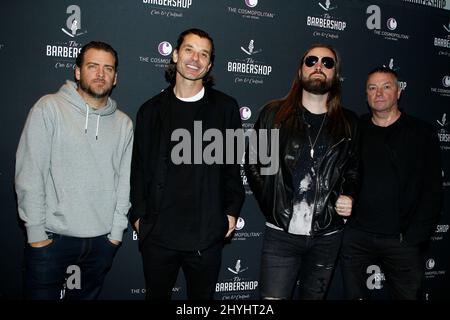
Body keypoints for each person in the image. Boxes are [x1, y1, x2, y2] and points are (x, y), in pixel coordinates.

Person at [129, 28, 245, 300]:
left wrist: (230, 212)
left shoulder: (225, 108)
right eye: (190, 50)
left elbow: (232, 167)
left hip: (206, 236)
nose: (196, 58)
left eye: (204, 54)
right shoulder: (150, 110)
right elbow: (138, 169)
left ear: (210, 64)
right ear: (176, 54)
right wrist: (138, 217)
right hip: (158, 237)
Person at [15, 41, 133, 299]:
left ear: (115, 77)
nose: (100, 74)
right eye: (93, 66)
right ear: (78, 72)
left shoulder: (124, 124)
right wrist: (36, 235)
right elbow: (30, 174)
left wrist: (115, 234)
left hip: (101, 244)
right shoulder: (49, 108)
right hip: (52, 241)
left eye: (108, 68)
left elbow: (124, 182)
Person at [244, 44, 359, 300]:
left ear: (335, 74)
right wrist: (273, 202)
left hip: (327, 237)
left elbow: (354, 169)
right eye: (312, 61)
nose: (319, 66)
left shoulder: (349, 123)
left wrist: (349, 195)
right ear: (300, 70)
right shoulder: (274, 113)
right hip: (280, 235)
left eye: (328, 63)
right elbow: (253, 162)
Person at [340, 66, 442, 300]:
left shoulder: (422, 132)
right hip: (357, 238)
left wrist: (415, 237)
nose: (379, 93)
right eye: (372, 88)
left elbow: (433, 190)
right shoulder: (356, 129)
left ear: (398, 92)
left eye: (386, 87)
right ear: (366, 94)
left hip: (402, 240)